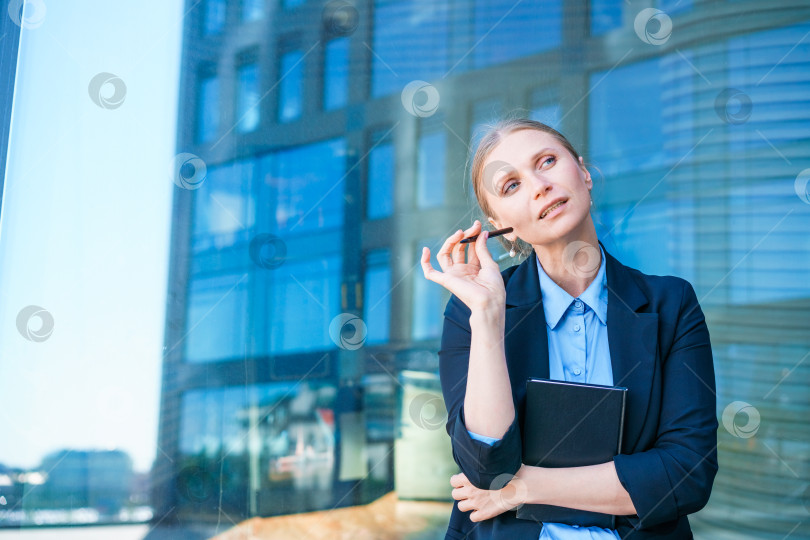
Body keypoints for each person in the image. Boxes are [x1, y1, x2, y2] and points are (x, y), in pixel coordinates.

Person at [419, 118, 718, 539]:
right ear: (499, 224)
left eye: (547, 161)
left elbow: (686, 475)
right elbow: (487, 468)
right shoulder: (473, 309)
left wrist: (518, 490)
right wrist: (487, 317)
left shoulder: (672, 305)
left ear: (583, 172)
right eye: (511, 186)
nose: (539, 185)